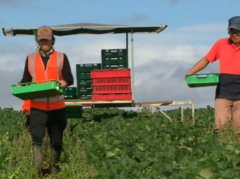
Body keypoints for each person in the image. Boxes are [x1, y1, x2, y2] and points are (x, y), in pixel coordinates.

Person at [19, 25, 74, 174]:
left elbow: (69, 78)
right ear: (37, 41)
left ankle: (54, 170)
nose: (44, 42)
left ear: (53, 41)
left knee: (56, 141)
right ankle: (37, 172)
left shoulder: (62, 57)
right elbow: (26, 79)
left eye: (47, 40)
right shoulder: (30, 58)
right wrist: (21, 85)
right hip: (37, 107)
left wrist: (65, 82)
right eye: (41, 40)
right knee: (37, 140)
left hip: (57, 108)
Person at [186, 16, 240, 134]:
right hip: (223, 92)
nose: (234, 34)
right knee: (221, 127)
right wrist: (191, 73)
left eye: (237, 31)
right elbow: (206, 60)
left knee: (239, 129)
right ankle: (222, 149)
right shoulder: (221, 44)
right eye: (232, 31)